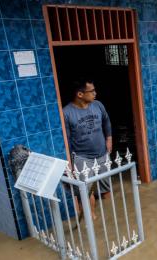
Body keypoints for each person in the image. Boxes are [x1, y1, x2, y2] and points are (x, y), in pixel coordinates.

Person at [63, 78, 112, 219]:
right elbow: (66, 140)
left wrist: (109, 139)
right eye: (92, 91)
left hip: (102, 153)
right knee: (86, 190)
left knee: (106, 188)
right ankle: (91, 217)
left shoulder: (98, 105)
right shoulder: (66, 113)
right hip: (82, 157)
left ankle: (110, 215)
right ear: (80, 94)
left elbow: (106, 121)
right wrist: (70, 164)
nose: (95, 93)